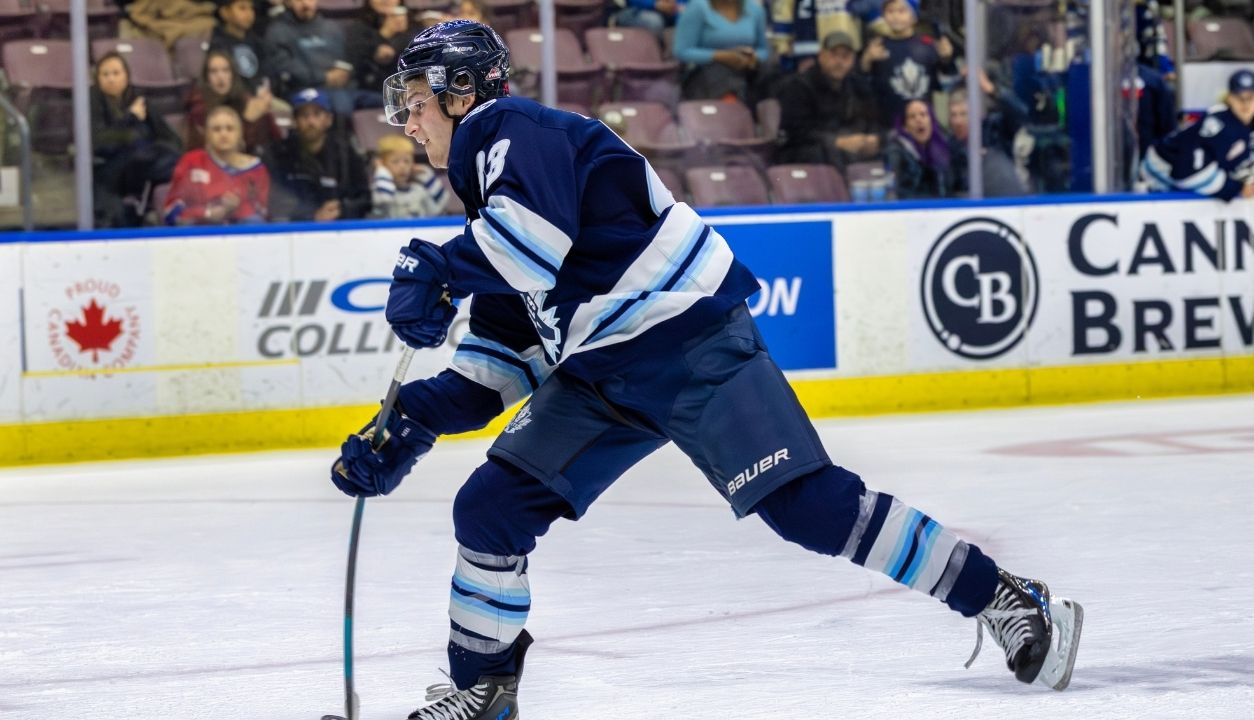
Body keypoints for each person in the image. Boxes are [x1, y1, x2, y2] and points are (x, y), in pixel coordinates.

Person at [330, 20, 1084, 720]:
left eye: (419, 101)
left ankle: (1003, 596)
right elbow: (499, 366)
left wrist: (436, 268)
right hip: (602, 376)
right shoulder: (487, 207)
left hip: (688, 345)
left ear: (463, 94)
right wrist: (411, 422)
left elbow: (531, 250)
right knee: (491, 509)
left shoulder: (513, 131)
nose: (407, 120)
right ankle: (482, 692)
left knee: (812, 510)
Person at [1141, 69, 1254, 201]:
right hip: (1160, 169)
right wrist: (1237, 188)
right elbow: (1186, 174)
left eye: (1251, 98)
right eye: (1239, 98)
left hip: (1200, 168)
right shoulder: (1216, 125)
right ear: (1230, 98)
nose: (1246, 104)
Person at [90, 51, 182, 228]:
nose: (111, 79)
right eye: (105, 74)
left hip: (142, 166)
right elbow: (101, 143)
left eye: (116, 73)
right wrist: (130, 118)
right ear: (97, 78)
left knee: (170, 157)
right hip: (109, 170)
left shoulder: (139, 101)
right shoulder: (92, 101)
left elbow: (169, 136)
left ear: (126, 76)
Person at [774, 31, 883, 169]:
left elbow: (872, 118)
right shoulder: (799, 86)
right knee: (833, 153)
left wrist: (872, 138)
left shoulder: (857, 85)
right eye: (834, 55)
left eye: (845, 56)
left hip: (847, 144)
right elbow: (797, 132)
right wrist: (836, 142)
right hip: (805, 151)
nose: (839, 61)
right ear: (821, 56)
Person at [262, 88, 371, 221]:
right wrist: (312, 215)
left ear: (329, 119)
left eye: (317, 114)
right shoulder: (281, 153)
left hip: (340, 228)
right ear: (295, 121)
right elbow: (276, 202)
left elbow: (365, 199)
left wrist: (341, 209)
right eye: (304, 115)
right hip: (294, 231)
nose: (311, 122)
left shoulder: (346, 153)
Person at [163, 105, 270, 224]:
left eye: (230, 129)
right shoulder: (191, 161)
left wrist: (235, 208)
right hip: (199, 235)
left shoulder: (256, 169)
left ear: (240, 133)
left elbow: (263, 212)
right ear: (207, 135)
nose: (223, 134)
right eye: (216, 129)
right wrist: (206, 213)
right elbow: (171, 211)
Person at [860, 0, 958, 127]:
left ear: (913, 16)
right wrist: (866, 61)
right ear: (883, 15)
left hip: (923, 124)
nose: (896, 16)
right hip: (889, 123)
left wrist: (947, 59)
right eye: (890, 11)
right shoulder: (877, 47)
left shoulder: (928, 46)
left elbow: (946, 83)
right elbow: (863, 86)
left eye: (901, 11)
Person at [264, 0, 362, 114]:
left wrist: (345, 72)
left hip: (343, 88)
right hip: (303, 89)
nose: (305, 4)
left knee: (381, 101)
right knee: (341, 105)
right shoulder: (277, 31)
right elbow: (286, 68)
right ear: (289, 2)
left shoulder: (332, 27)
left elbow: (348, 58)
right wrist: (324, 77)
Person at [183, 48, 281, 153]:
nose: (220, 77)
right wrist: (248, 121)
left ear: (233, 75)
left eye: (226, 70)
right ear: (206, 78)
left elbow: (273, 138)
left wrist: (264, 111)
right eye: (213, 71)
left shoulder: (244, 98)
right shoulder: (199, 108)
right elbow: (221, 149)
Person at [672, 0, 769, 102]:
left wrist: (754, 58)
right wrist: (720, 56)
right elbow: (681, 51)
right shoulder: (697, 7)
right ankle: (732, 112)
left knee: (774, 75)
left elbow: (763, 50)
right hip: (707, 70)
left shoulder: (756, 10)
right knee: (723, 74)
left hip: (747, 68)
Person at [886, 98, 955, 198]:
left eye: (923, 114)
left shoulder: (943, 148)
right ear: (905, 126)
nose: (919, 120)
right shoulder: (896, 152)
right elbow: (894, 191)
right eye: (912, 117)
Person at [369, 133, 450, 218]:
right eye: (395, 161)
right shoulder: (378, 189)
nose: (402, 167)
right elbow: (383, 200)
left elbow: (439, 209)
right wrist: (381, 171)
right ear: (382, 163)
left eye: (407, 161)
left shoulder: (419, 190)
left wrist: (428, 175)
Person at [348, 0, 415, 98]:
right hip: (370, 89)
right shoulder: (358, 28)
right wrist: (386, 33)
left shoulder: (414, 25)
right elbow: (358, 62)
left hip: (408, 89)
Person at [210, 0, 272, 87]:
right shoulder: (218, 45)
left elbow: (269, 71)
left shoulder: (256, 41)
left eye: (251, 8)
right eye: (242, 8)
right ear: (224, 13)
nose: (249, 13)